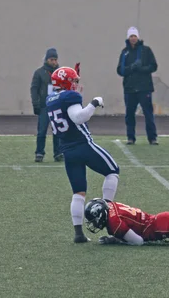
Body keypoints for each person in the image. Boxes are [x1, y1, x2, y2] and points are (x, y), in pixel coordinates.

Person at [46, 66, 120, 243]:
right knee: (113, 171)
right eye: (73, 81)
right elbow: (79, 117)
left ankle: (78, 234)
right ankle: (105, 211)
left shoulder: (50, 99)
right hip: (83, 145)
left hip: (68, 151)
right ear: (65, 82)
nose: (76, 85)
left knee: (78, 193)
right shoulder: (70, 96)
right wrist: (94, 102)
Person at [83, 161, 169, 245]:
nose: (94, 223)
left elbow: (138, 241)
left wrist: (117, 240)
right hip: (160, 219)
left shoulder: (113, 223)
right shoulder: (111, 206)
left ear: (100, 215)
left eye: (94, 220)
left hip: (161, 227)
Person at [116, 27, 158, 145]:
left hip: (144, 88)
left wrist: (142, 69)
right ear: (128, 38)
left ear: (138, 37)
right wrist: (131, 68)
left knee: (148, 113)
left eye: (135, 36)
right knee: (130, 114)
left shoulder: (146, 50)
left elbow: (153, 66)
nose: (133, 38)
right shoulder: (125, 52)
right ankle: (131, 137)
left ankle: (152, 137)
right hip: (129, 88)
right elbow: (120, 70)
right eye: (131, 36)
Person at [30, 48, 62, 162]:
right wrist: (36, 103)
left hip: (57, 105)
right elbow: (34, 89)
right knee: (42, 131)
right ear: (47, 59)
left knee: (58, 131)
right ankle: (39, 153)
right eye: (51, 59)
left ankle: (58, 153)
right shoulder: (39, 73)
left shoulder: (60, 72)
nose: (54, 62)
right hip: (44, 105)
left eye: (55, 59)